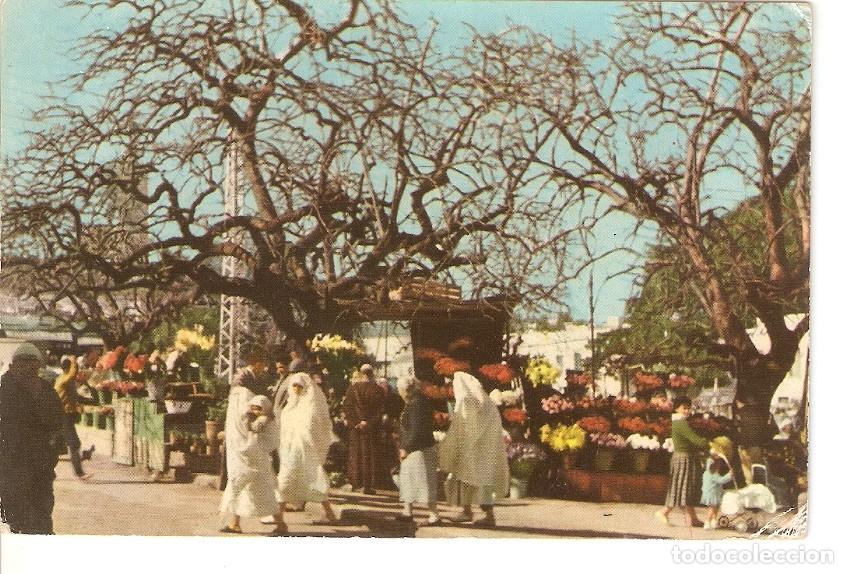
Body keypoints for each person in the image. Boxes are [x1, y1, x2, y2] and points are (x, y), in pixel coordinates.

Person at [0, 343, 65, 534]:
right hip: (14, 465)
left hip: (34, 466)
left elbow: (57, 428)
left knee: (36, 516)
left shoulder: (45, 391)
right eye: (24, 364)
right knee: (24, 515)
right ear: (13, 366)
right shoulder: (6, 390)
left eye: (32, 365)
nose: (28, 369)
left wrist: (49, 457)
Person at [438, 370, 509, 527]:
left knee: (478, 473)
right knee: (467, 472)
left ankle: (488, 516)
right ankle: (467, 510)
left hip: (479, 435)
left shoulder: (460, 381)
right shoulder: (468, 381)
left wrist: (453, 422)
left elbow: (465, 405)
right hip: (482, 431)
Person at [271, 372, 338, 535]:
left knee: (288, 482)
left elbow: (313, 428)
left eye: (299, 386)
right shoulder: (290, 406)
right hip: (290, 451)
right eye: (293, 385)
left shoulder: (310, 406)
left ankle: (279, 522)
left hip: (303, 451)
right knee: (300, 482)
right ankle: (329, 515)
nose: (296, 389)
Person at [219, 395, 279, 534]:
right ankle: (235, 523)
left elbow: (254, 429)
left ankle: (281, 525)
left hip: (259, 464)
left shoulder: (264, 420)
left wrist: (246, 418)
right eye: (254, 408)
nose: (256, 411)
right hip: (255, 462)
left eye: (259, 408)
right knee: (245, 491)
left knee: (263, 494)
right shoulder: (262, 419)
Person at [655, 397, 708, 527]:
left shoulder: (680, 422)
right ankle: (664, 512)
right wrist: (708, 443)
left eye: (688, 408)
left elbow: (690, 441)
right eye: (684, 408)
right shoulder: (681, 423)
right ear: (677, 408)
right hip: (683, 458)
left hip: (684, 457)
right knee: (680, 487)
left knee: (685, 488)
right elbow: (695, 440)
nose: (687, 410)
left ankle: (693, 518)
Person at [395, 377, 441, 526]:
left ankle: (434, 515)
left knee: (424, 483)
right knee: (409, 480)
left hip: (418, 450)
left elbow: (416, 430)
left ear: (405, 390)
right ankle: (407, 511)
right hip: (419, 448)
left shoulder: (416, 405)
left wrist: (406, 448)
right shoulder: (419, 402)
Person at [342, 368, 386, 494]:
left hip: (356, 429)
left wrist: (356, 422)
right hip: (371, 429)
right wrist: (368, 423)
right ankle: (367, 485)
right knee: (369, 456)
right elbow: (380, 411)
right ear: (372, 374)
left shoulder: (352, 389)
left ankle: (355, 483)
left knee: (355, 454)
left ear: (361, 374)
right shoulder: (378, 390)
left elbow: (347, 408)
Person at [53, 356, 95, 480]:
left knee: (55, 446)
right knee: (74, 443)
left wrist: (90, 401)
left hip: (66, 416)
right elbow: (72, 374)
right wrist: (74, 360)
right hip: (63, 416)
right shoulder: (63, 379)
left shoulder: (68, 382)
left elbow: (75, 396)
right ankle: (80, 473)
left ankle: (39, 471)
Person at [733, 397, 773, 486]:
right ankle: (760, 485)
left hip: (746, 446)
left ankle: (750, 486)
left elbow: (739, 430)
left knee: (747, 469)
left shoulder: (739, 414)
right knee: (758, 467)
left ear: (738, 401)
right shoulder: (757, 413)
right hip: (757, 445)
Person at [701, 450, 734, 530]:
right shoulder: (713, 475)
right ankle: (707, 521)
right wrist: (729, 475)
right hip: (713, 494)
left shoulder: (706, 473)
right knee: (712, 509)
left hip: (711, 493)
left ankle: (713, 521)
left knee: (715, 508)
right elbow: (721, 480)